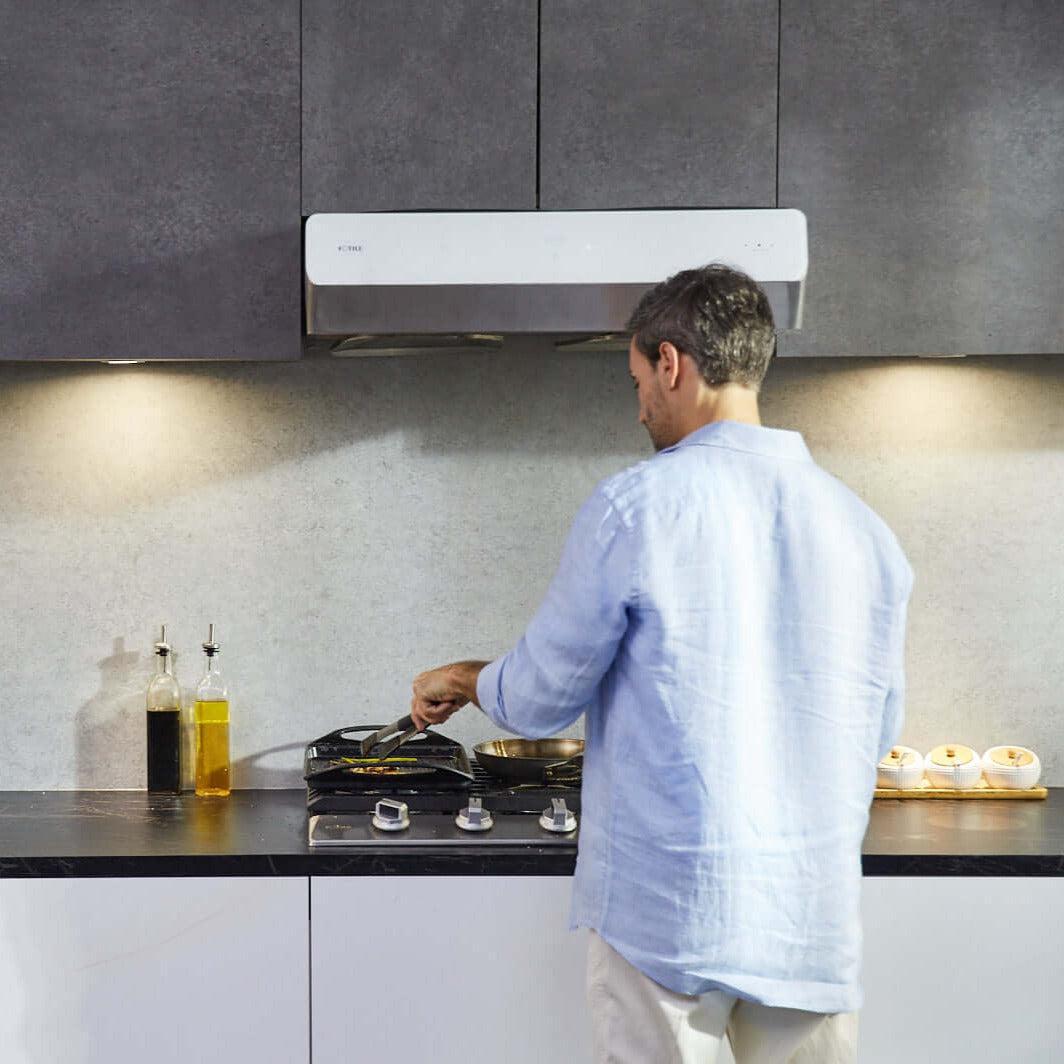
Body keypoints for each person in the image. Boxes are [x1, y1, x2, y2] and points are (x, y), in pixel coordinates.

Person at [411, 263, 913, 1064]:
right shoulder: (866, 531)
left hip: (671, 915)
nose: (639, 400)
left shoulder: (637, 506)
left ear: (672, 363)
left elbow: (541, 697)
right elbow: (878, 726)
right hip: (808, 923)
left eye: (637, 377)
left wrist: (469, 678)